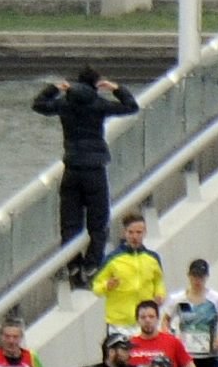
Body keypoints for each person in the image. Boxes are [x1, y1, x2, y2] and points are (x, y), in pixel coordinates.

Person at [32, 70, 140, 267]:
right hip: (95, 169)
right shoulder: (99, 104)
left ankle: (72, 266)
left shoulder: (64, 103)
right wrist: (116, 88)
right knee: (98, 224)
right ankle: (91, 266)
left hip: (72, 167)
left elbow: (38, 104)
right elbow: (131, 107)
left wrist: (54, 88)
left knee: (70, 225)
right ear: (97, 84)